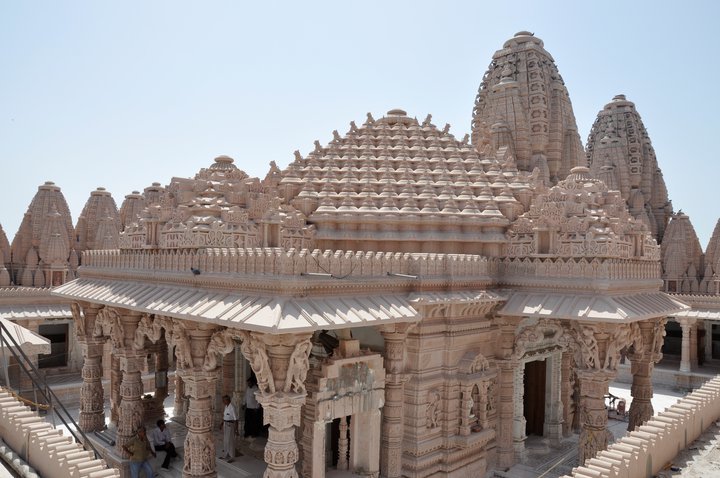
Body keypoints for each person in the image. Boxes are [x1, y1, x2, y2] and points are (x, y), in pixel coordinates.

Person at [221, 395, 238, 462]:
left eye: (224, 400)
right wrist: (221, 424)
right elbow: (224, 416)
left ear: (228, 400)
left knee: (230, 441)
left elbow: (236, 419)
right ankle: (226, 454)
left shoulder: (232, 407)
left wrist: (236, 430)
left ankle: (232, 456)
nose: (223, 401)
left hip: (230, 425)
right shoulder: (226, 406)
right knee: (225, 440)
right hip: (225, 424)